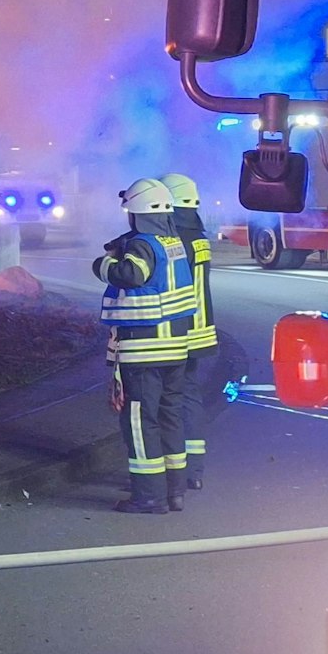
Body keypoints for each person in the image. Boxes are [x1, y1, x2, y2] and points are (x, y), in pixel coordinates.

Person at [93, 177, 199, 514]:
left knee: (140, 422)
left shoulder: (141, 246)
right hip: (175, 349)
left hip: (144, 351)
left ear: (136, 213)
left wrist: (103, 264)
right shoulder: (173, 242)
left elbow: (133, 274)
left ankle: (148, 496)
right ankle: (174, 489)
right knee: (170, 417)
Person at [158, 172, 217, 491]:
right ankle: (194, 469)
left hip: (175, 332)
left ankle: (172, 472)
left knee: (166, 403)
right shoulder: (198, 234)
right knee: (189, 399)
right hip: (200, 332)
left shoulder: (174, 237)